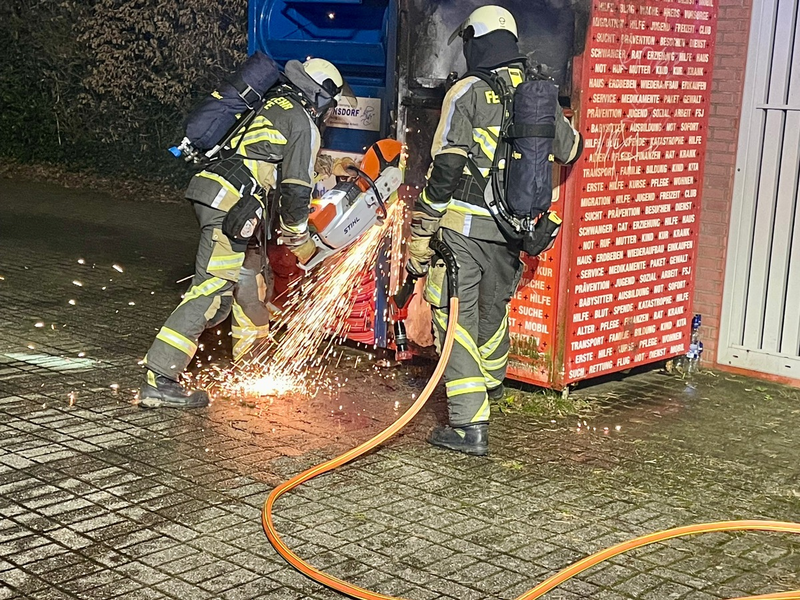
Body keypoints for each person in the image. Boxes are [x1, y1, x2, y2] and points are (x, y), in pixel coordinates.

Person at [407, 5, 582, 455]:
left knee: (455, 321)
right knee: (492, 310)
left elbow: (445, 170)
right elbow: (571, 150)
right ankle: (491, 388)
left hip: (463, 229)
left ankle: (468, 426)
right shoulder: (537, 90)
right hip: (512, 230)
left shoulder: (466, 90)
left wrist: (421, 237)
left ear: (474, 41)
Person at [140, 58, 353, 408]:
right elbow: (295, 189)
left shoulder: (270, 102)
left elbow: (268, 161)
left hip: (224, 196)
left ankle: (254, 366)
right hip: (231, 206)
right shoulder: (303, 121)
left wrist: (330, 168)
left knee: (251, 283)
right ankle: (159, 376)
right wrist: (298, 239)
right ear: (322, 96)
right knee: (212, 291)